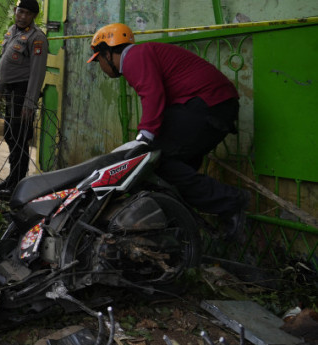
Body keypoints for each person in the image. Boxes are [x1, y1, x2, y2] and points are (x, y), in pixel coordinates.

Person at [88, 23, 250, 241]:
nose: (101, 67)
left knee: (156, 161)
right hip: (214, 106)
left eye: (98, 60)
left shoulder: (134, 56)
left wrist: (144, 137)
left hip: (207, 105)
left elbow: (152, 94)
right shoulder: (143, 55)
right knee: (173, 173)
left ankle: (230, 201)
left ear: (108, 52)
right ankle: (182, 230)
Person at [0, 0, 48, 193]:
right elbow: (3, 65)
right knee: (10, 135)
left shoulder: (37, 38)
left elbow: (37, 73)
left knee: (19, 138)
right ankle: (11, 179)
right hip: (10, 92)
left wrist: (29, 103)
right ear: (15, 12)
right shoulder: (12, 32)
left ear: (33, 16)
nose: (22, 16)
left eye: (27, 13)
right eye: (20, 12)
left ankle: (18, 184)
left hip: (23, 93)